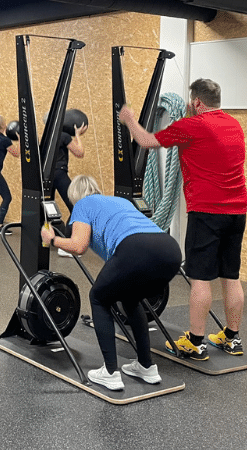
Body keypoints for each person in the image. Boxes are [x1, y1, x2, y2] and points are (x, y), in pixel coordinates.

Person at [119, 78, 247, 360]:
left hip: (207, 212)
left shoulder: (192, 126)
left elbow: (145, 141)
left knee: (200, 278)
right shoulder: (234, 124)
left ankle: (196, 342)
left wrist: (129, 119)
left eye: (191, 101)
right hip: (237, 212)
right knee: (230, 276)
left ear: (197, 102)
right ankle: (232, 337)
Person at [41, 175, 181, 390]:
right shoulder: (120, 201)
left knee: (98, 298)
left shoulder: (82, 205)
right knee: (131, 299)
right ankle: (146, 366)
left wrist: (52, 239)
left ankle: (110, 372)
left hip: (135, 248)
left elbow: (79, 246)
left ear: (74, 196)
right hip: (170, 251)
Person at [50, 116, 87, 256]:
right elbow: (80, 153)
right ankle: (66, 245)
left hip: (47, 175)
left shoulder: (48, 136)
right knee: (77, 206)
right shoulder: (64, 136)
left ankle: (45, 240)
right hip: (59, 174)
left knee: (45, 209)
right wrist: (77, 135)